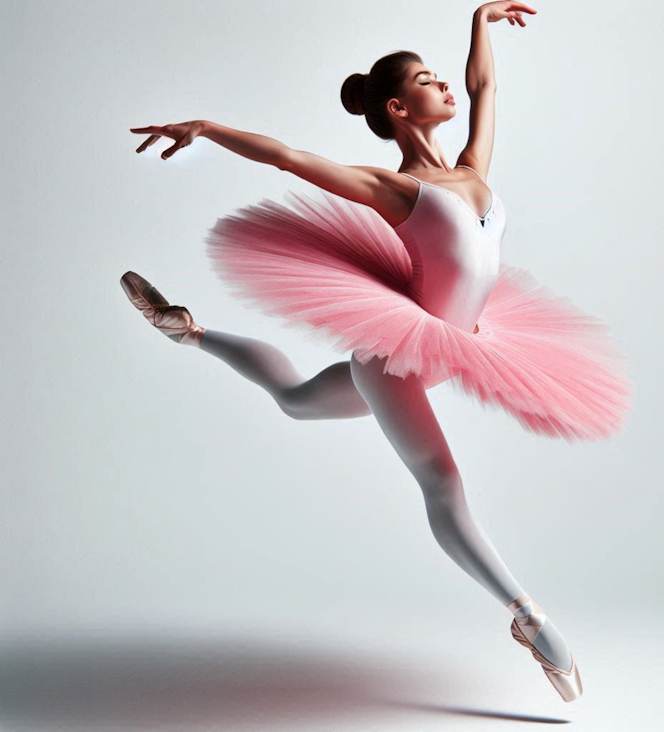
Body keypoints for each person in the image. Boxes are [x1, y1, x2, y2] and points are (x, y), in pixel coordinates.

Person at [122, 2, 633, 702]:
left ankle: (190, 331)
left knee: (299, 402)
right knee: (441, 482)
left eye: (442, 77)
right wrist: (206, 128)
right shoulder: (395, 189)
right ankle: (526, 614)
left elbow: (484, 88)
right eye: (429, 80)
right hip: (396, 359)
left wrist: (481, 21)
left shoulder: (472, 167)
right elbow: (288, 157)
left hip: (456, 346)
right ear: (398, 107)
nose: (446, 86)